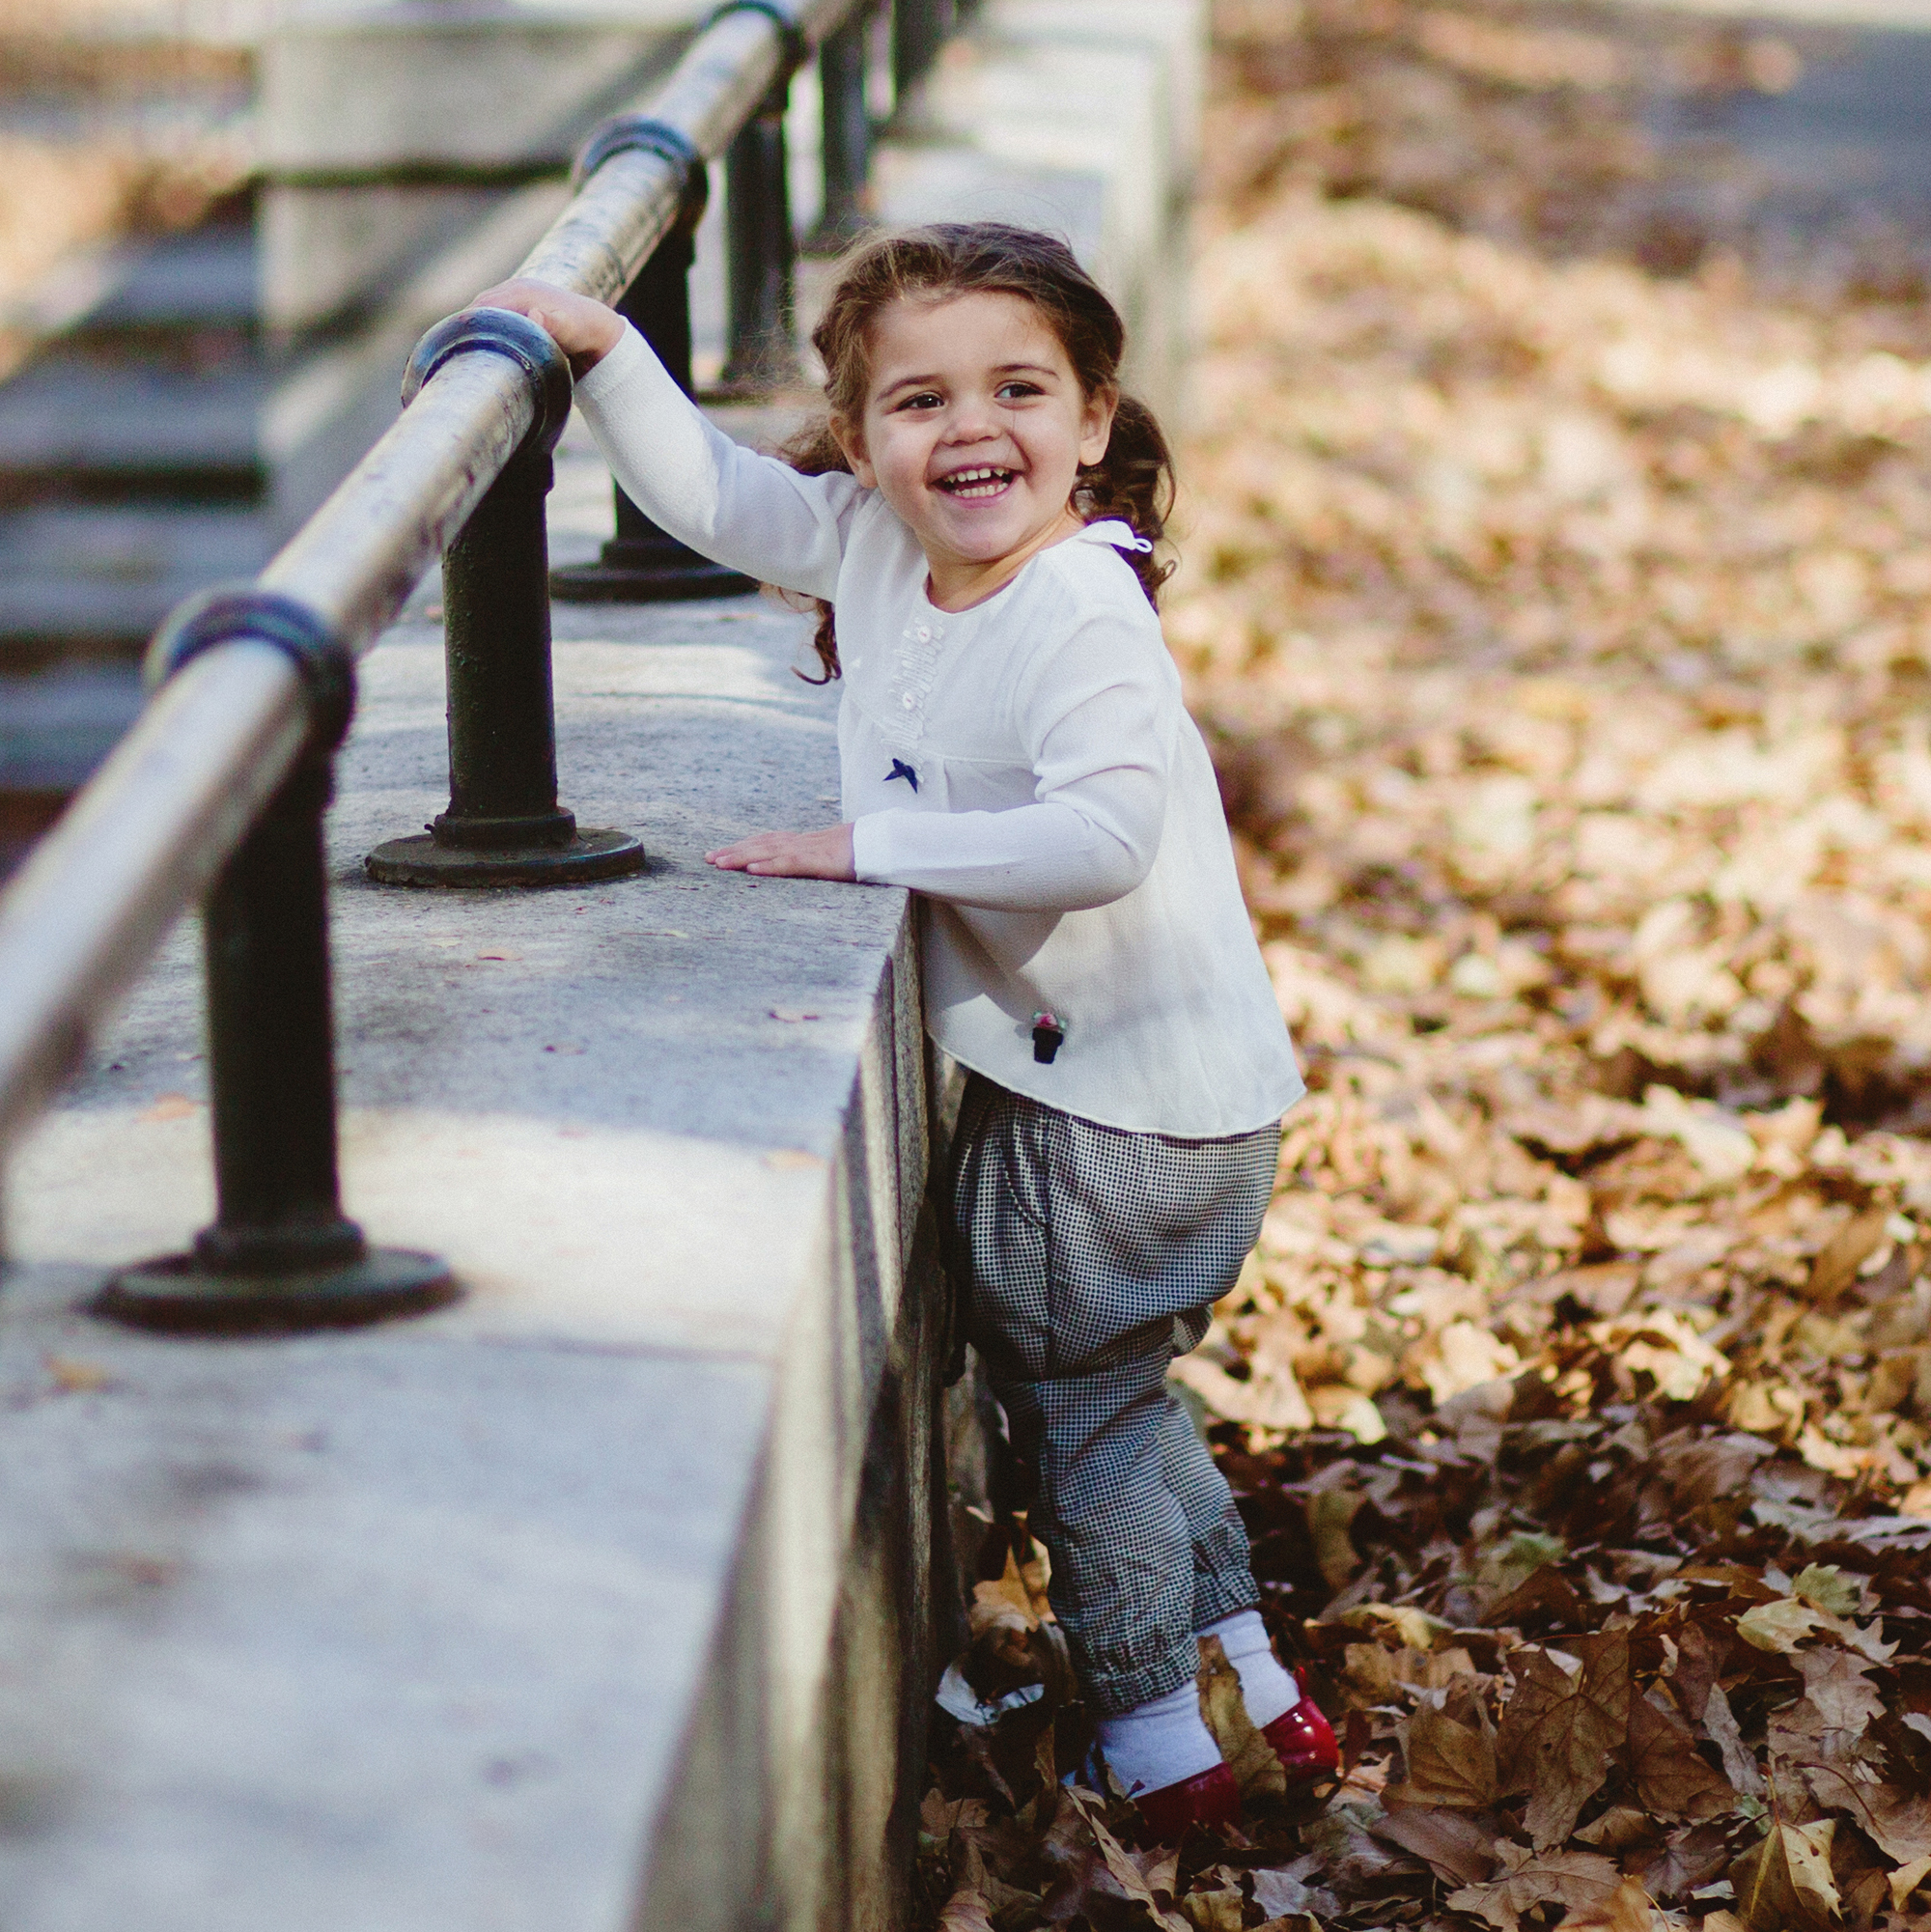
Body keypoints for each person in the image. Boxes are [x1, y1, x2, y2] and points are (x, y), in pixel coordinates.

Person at [475, 222, 1335, 1836]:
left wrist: (868, 847)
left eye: (1019, 388)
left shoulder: (1080, 608)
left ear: (1093, 422)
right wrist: (603, 349)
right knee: (1127, 1395)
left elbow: (1103, 838)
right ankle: (1257, 1689)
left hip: (1136, 1118)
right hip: (1129, 1082)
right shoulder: (876, 542)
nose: (969, 430)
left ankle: (1159, 1737)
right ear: (861, 441)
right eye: (917, 400)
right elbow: (717, 501)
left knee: (1080, 1419)